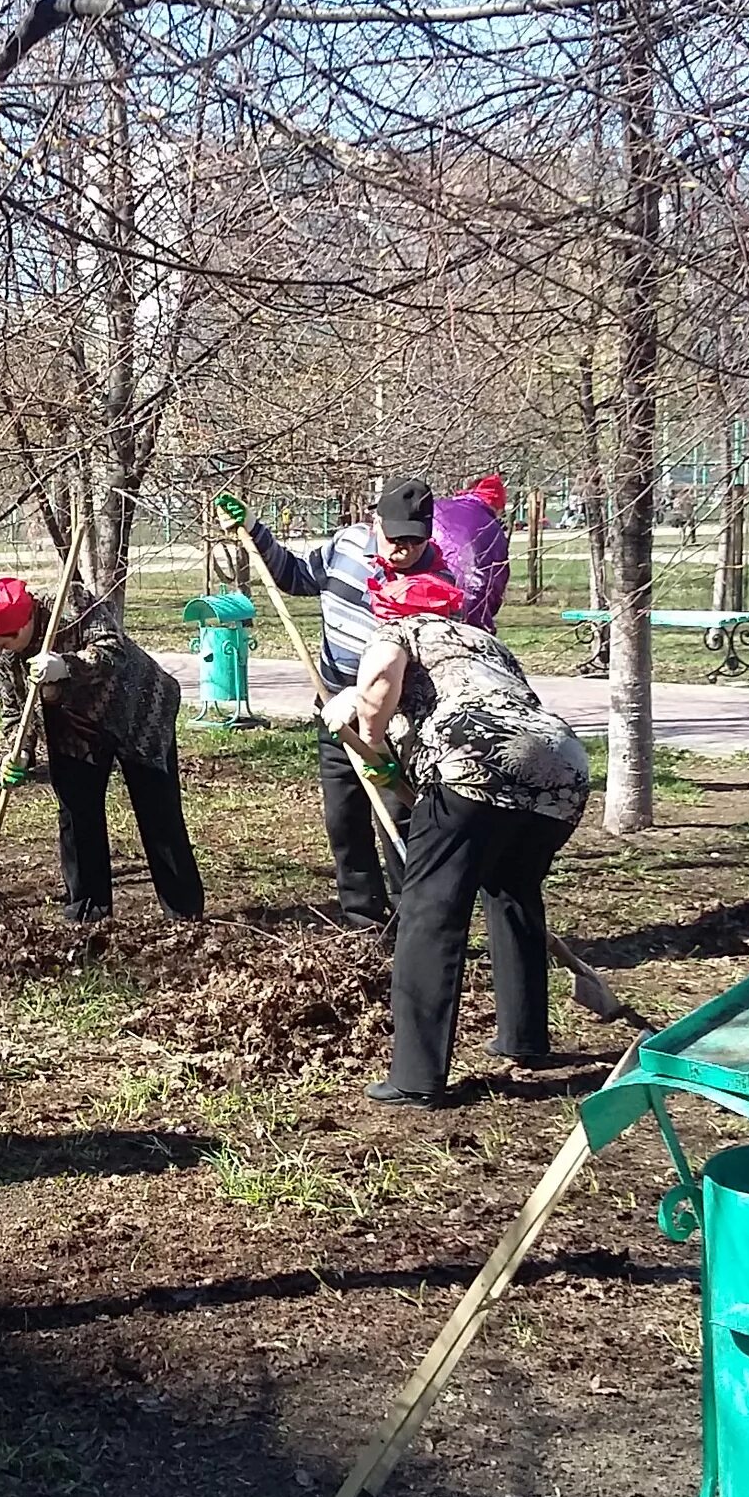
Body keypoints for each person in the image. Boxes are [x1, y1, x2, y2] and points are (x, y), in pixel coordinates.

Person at [334, 570, 587, 1102]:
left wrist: (372, 739)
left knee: (431, 910)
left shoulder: (401, 631)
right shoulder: (486, 643)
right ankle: (525, 1037)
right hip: (562, 766)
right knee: (512, 890)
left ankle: (415, 1077)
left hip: (473, 759)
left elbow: (380, 677)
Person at [216, 478, 456, 931]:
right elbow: (295, 575)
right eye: (395, 537)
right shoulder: (346, 546)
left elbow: (426, 668)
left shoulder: (437, 583)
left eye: (414, 540)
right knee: (344, 819)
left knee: (399, 819)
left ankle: (415, 926)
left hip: (398, 721)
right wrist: (252, 528)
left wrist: (367, 702)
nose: (403, 549)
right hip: (332, 707)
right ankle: (363, 919)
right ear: (375, 522)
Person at [0, 575, 204, 924]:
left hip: (137, 708)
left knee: (157, 810)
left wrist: (66, 665)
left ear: (28, 620)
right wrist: (18, 751)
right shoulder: (0, 646)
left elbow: (113, 649)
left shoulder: (71, 602)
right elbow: (15, 707)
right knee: (75, 811)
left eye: (10, 639)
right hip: (75, 721)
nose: (5, 648)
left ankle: (184, 912)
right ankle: (87, 912)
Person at [430, 472, 512, 631]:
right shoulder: (493, 530)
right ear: (496, 505)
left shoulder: (437, 508)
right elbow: (496, 579)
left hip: (428, 597)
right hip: (471, 609)